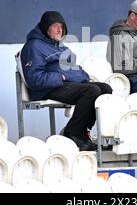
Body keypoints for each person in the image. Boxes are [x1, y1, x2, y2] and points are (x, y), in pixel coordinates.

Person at [19, 11, 112, 151]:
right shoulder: (33, 46)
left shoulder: (59, 46)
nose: (59, 30)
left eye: (61, 26)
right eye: (55, 26)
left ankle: (83, 132)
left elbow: (73, 69)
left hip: (67, 84)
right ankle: (73, 134)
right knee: (91, 91)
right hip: (49, 88)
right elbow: (34, 79)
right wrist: (60, 77)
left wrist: (83, 77)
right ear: (45, 27)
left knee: (105, 89)